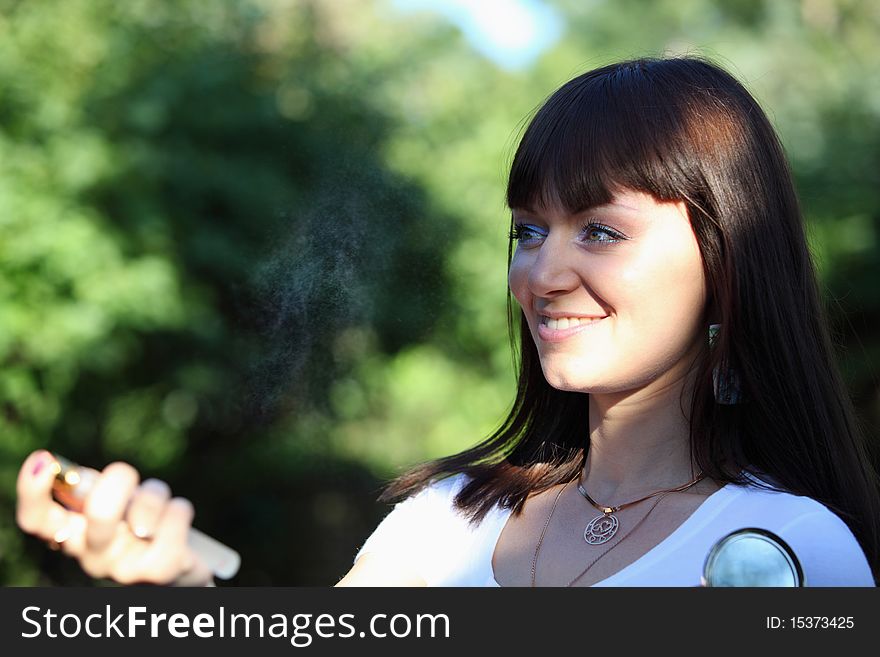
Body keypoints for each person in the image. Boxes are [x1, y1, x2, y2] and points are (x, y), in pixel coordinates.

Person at [16, 56, 880, 587]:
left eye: (601, 230)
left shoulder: (787, 552)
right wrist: (174, 580)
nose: (540, 272)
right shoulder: (448, 518)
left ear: (725, 265)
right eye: (529, 230)